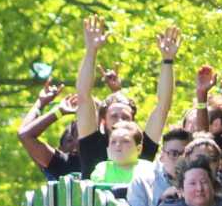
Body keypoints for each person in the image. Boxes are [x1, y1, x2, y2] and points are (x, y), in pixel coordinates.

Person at [72, 17, 177, 170]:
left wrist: (168, 60)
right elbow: (83, 96)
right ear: (103, 120)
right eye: (113, 116)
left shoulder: (142, 145)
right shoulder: (92, 143)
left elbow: (163, 106)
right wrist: (91, 51)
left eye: (125, 117)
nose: (120, 120)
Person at [127, 125, 190, 206]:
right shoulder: (142, 183)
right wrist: (162, 202)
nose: (180, 160)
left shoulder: (202, 183)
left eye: (186, 154)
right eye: (174, 154)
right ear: (162, 156)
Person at [88, 120, 148, 187]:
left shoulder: (148, 170)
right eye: (113, 142)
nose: (118, 145)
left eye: (125, 141)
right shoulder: (102, 169)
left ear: (138, 149)